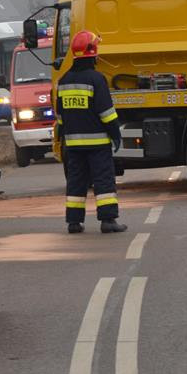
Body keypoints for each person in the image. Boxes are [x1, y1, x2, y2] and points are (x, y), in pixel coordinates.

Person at [57, 30, 126, 234]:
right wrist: (116, 134)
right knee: (103, 180)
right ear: (92, 52)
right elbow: (106, 113)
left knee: (76, 182)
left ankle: (74, 222)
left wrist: (64, 136)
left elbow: (60, 116)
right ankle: (108, 220)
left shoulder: (64, 80)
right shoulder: (96, 79)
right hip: (97, 144)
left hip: (73, 145)